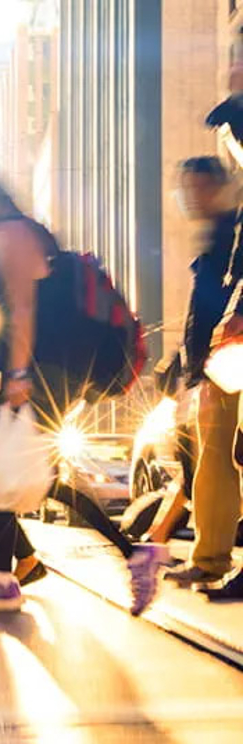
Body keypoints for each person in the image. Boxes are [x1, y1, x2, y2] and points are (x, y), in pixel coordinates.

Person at [0, 161, 166, 615]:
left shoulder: (13, 235)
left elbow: (22, 311)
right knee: (37, 476)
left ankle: (2, 578)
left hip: (39, 376)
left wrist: (16, 378)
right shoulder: (21, 232)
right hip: (49, 375)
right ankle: (135, 554)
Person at [161, 157, 243, 588]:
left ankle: (212, 558)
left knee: (227, 462)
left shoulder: (233, 231)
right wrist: (187, 372)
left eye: (200, 187)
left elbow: (222, 305)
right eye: (186, 188)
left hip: (231, 360)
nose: (192, 197)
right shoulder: (215, 237)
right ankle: (209, 558)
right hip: (215, 366)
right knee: (215, 464)